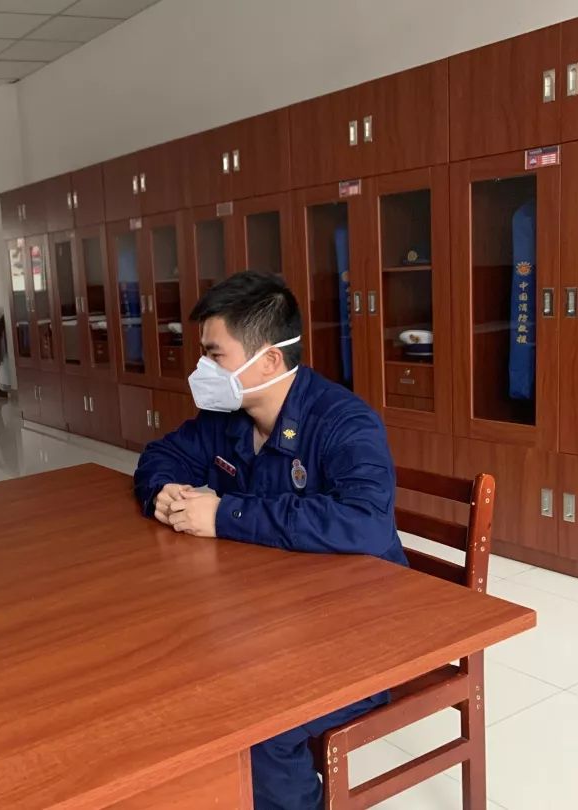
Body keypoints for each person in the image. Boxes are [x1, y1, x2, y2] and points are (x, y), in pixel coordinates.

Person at [133, 271, 407, 810]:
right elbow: (161, 455)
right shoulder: (229, 416)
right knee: (171, 676)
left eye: (215, 355)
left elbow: (366, 522)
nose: (202, 369)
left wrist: (227, 514)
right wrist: (161, 491)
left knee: (261, 726)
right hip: (275, 613)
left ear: (269, 360)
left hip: (361, 628)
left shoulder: (343, 422)